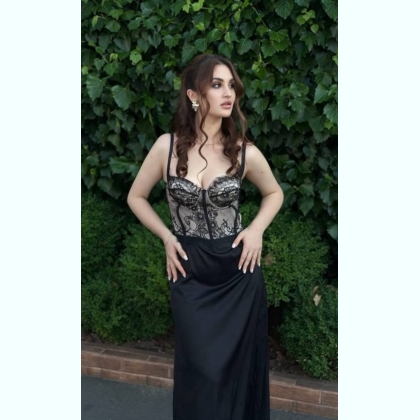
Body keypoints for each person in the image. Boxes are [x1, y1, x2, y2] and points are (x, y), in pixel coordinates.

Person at [127, 53, 283, 420]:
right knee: (202, 372)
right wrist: (167, 237)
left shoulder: (243, 151)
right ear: (194, 95)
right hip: (190, 270)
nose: (228, 93)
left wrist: (256, 229)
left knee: (237, 374)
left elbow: (274, 193)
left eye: (231, 85)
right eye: (217, 85)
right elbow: (136, 197)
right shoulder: (166, 147)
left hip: (238, 271)